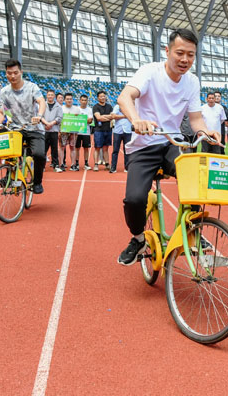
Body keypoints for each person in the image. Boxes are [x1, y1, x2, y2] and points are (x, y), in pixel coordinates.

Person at [115, 29, 219, 266]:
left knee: (195, 178)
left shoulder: (192, 81)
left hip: (173, 143)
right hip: (144, 145)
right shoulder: (150, 72)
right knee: (134, 199)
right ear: (168, 51)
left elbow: (195, 119)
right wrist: (136, 120)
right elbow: (124, 98)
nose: (185, 59)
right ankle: (138, 239)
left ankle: (193, 228)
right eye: (180, 53)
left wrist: (205, 132)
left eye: (190, 55)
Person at [0, 59, 47, 194]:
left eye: (15, 73)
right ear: (6, 73)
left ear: (21, 72)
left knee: (39, 155)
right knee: (7, 150)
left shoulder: (32, 87)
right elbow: (2, 112)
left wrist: (39, 116)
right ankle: (8, 176)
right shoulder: (4, 92)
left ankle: (37, 182)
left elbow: (41, 102)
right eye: (9, 73)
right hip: (17, 129)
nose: (12, 76)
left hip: (34, 128)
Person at [41, 89, 63, 172]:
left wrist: (51, 124)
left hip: (54, 130)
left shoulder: (58, 106)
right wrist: (46, 123)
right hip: (44, 130)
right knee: (43, 149)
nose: (50, 96)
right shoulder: (43, 105)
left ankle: (56, 165)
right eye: (49, 95)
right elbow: (40, 116)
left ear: (54, 96)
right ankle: (42, 166)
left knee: (54, 149)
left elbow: (59, 118)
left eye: (52, 95)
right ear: (46, 95)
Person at [92, 91, 113, 170]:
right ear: (98, 98)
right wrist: (107, 117)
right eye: (101, 96)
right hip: (98, 130)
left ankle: (107, 164)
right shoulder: (95, 107)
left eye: (104, 96)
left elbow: (112, 117)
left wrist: (103, 117)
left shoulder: (109, 106)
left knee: (106, 148)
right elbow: (98, 118)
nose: (103, 98)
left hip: (108, 129)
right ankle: (96, 164)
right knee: (97, 148)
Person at [59, 93, 80, 171]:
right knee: (61, 147)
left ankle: (73, 165)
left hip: (73, 132)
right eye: (67, 99)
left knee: (73, 147)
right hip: (63, 131)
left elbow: (80, 119)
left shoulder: (77, 109)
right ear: (64, 100)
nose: (69, 100)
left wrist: (77, 116)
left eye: (70, 99)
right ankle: (61, 164)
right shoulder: (61, 108)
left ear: (72, 100)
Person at [109, 101, 132, 173]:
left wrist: (120, 116)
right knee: (115, 150)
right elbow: (113, 116)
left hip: (128, 131)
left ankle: (127, 167)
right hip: (117, 131)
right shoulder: (117, 107)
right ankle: (113, 167)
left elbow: (132, 117)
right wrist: (125, 116)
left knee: (127, 150)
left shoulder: (130, 107)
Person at [76, 94, 94, 170]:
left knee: (86, 148)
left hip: (86, 132)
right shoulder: (76, 109)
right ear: (80, 101)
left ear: (87, 101)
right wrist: (84, 119)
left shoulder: (89, 109)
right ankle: (76, 163)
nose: (84, 102)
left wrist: (79, 118)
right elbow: (74, 119)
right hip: (77, 132)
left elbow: (90, 121)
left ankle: (86, 163)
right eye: (82, 100)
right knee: (77, 148)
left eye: (85, 100)